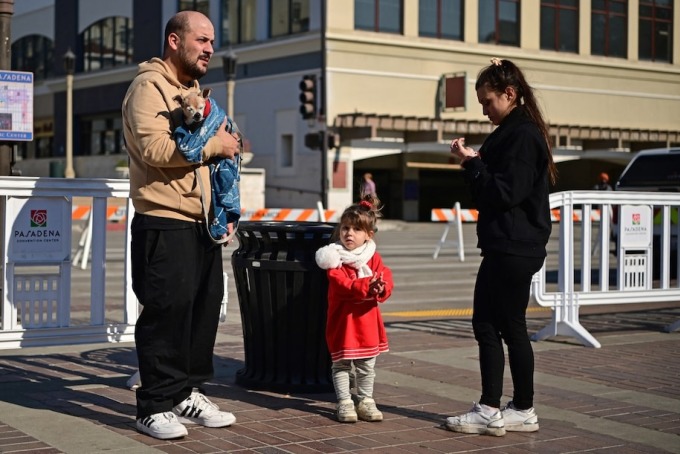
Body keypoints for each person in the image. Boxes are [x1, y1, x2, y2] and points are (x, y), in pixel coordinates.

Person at [121, 11, 241, 440]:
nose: (210, 48)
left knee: (201, 312)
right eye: (202, 40)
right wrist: (214, 145)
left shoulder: (196, 92)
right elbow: (154, 147)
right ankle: (153, 405)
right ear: (175, 40)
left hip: (203, 222)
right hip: (164, 219)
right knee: (166, 315)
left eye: (212, 42)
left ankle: (185, 393)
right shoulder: (148, 87)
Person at [446, 57, 558, 437]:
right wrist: (476, 162)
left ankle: (491, 408)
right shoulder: (518, 129)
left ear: (510, 94)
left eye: (488, 102)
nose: (485, 110)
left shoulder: (521, 134)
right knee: (510, 326)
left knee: (490, 325)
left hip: (512, 244)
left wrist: (473, 164)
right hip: (512, 244)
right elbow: (504, 186)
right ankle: (521, 408)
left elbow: (505, 192)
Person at [314, 194, 394, 423]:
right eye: (346, 228)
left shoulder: (373, 257)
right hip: (343, 322)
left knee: (367, 366)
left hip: (367, 322)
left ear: (368, 235)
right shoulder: (334, 258)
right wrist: (366, 285)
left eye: (356, 229)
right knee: (341, 364)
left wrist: (381, 287)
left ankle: (366, 400)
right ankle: (345, 402)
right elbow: (341, 285)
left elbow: (385, 276)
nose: (349, 233)